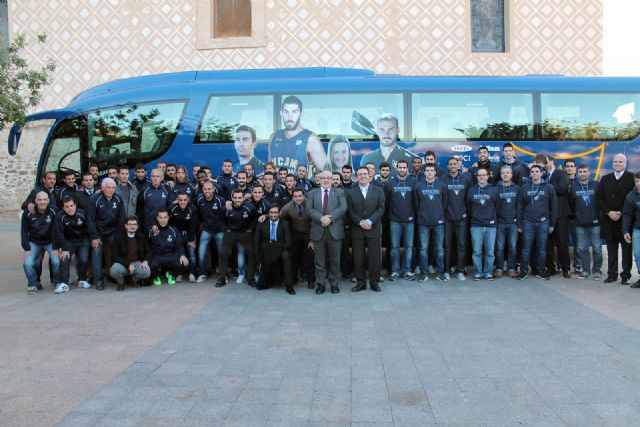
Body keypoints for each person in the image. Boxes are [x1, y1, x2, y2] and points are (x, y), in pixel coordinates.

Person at [306, 170, 348, 294]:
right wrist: (321, 218)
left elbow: (343, 207)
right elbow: (309, 209)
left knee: (335, 259)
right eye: (323, 178)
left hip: (334, 231)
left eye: (328, 178)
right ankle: (321, 284)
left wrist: (330, 218)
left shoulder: (339, 192)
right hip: (318, 231)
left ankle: (334, 283)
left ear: (332, 179)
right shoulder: (312, 193)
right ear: (318, 179)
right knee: (319, 261)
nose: (325, 180)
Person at [347, 166, 386, 292]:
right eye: (360, 174)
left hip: (373, 227)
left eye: (365, 174)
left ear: (369, 175)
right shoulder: (351, 192)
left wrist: (370, 221)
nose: (362, 176)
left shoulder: (378, 190)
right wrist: (360, 222)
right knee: (358, 257)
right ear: (356, 177)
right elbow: (350, 210)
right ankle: (361, 282)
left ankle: (374, 282)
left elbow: (381, 208)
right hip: (357, 229)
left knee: (375, 256)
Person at [597, 154, 634, 285]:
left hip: (625, 221)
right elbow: (600, 198)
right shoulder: (605, 179)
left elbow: (633, 199)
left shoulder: (631, 178)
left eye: (620, 162)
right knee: (611, 250)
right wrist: (608, 212)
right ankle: (612, 275)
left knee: (626, 251)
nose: (617, 164)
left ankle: (626, 276)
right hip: (609, 220)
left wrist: (621, 213)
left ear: (625, 163)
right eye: (615, 162)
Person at [516, 165, 558, 280]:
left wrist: (552, 224)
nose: (534, 173)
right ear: (530, 174)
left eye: (537, 171)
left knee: (542, 248)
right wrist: (519, 224)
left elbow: (554, 207)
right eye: (532, 171)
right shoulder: (524, 187)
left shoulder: (549, 187)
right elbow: (520, 207)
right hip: (528, 222)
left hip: (543, 222)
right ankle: (523, 271)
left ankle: (540, 270)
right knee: (526, 248)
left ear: (541, 173)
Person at [269, 95, 326, 173]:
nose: (289, 117)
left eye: (294, 112)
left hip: (300, 185)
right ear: (281, 113)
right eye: (286, 112)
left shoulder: (311, 139)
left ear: (301, 113)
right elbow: (268, 170)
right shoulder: (274, 136)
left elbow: (326, 173)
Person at [87, 178, 126, 290]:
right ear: (102, 188)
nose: (111, 190)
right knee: (97, 254)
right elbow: (91, 220)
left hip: (113, 231)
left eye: (113, 188)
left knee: (116, 253)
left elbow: (121, 217)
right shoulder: (94, 199)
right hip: (98, 232)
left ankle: (113, 276)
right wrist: (94, 237)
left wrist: (119, 234)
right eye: (108, 187)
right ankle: (98, 280)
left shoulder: (118, 198)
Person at [413, 164, 448, 282]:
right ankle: (424, 273)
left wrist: (438, 213)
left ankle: (441, 273)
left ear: (435, 172)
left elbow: (445, 203)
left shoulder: (442, 185)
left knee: (439, 248)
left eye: (431, 171)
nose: (429, 172)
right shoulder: (418, 185)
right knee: (423, 248)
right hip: (423, 222)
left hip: (439, 222)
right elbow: (416, 204)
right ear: (424, 172)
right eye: (427, 170)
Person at [21, 191, 60, 294]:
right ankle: (33, 284)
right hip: (34, 242)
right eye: (39, 200)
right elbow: (24, 231)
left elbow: (57, 230)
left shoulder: (54, 210)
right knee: (27, 264)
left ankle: (57, 282)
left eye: (44, 199)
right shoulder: (28, 213)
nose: (42, 202)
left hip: (50, 242)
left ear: (48, 201)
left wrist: (56, 247)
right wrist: (26, 248)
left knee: (56, 261)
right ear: (35, 201)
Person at [216, 189, 257, 288]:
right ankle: (222, 278)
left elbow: (254, 219)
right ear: (232, 198)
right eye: (235, 198)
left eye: (239, 198)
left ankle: (251, 278)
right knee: (223, 254)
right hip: (231, 232)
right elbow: (220, 220)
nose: (237, 200)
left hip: (245, 233)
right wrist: (226, 230)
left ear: (243, 198)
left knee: (251, 254)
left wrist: (250, 229)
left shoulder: (250, 207)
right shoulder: (226, 208)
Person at [441, 156, 472, 280]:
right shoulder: (443, 179)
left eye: (455, 164)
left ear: (458, 165)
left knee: (461, 245)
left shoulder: (465, 179)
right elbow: (442, 200)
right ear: (448, 166)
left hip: (462, 219)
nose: (453, 166)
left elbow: (469, 199)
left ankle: (460, 270)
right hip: (447, 219)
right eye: (451, 164)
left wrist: (466, 213)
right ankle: (447, 270)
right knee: (447, 246)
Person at [384, 160, 415, 281]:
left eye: (404, 167)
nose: (402, 169)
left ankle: (407, 270)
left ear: (407, 169)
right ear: (396, 168)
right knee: (394, 247)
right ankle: (395, 271)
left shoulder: (413, 182)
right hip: (394, 221)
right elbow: (387, 202)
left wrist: (413, 216)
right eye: (400, 167)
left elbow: (416, 202)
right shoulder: (390, 183)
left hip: (409, 221)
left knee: (409, 247)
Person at [466, 168, 500, 280]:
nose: (481, 177)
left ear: (487, 176)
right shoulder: (471, 191)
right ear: (477, 177)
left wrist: (491, 218)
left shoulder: (494, 190)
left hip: (491, 225)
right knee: (476, 251)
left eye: (483, 175)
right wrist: (476, 216)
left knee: (490, 251)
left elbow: (497, 206)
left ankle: (488, 272)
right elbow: (468, 207)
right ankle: (478, 272)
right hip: (476, 225)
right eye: (479, 175)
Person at [570, 164, 602, 280]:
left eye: (584, 171)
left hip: (595, 222)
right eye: (580, 172)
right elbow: (572, 204)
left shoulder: (596, 185)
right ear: (577, 173)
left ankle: (597, 271)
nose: (582, 174)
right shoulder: (574, 186)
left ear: (589, 172)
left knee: (597, 248)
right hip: (580, 223)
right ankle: (586, 270)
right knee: (582, 248)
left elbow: (601, 202)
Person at [53, 196, 91, 292]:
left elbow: (89, 228)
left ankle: (82, 280)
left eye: (71, 205)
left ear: (75, 205)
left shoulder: (82, 213)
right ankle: (64, 283)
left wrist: (91, 239)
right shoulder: (60, 217)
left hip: (83, 240)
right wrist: (64, 248)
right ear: (63, 208)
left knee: (83, 259)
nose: (70, 209)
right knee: (64, 258)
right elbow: (59, 234)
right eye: (67, 206)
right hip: (68, 241)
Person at [280, 188, 316, 289]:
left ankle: (311, 280)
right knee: (294, 257)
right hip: (295, 234)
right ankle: (294, 278)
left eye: (300, 196)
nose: (298, 198)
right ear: (292, 197)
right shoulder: (287, 207)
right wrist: (265, 216)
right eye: (295, 196)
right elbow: (277, 215)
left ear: (303, 196)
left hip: (309, 234)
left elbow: (316, 221)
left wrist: (312, 239)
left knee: (310, 257)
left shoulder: (310, 205)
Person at [254, 204, 294, 293]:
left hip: (280, 248)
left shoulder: (285, 223)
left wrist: (276, 250)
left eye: (275, 212)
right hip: (266, 249)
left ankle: (289, 286)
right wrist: (258, 259)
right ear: (268, 213)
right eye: (271, 212)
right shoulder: (262, 223)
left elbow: (288, 243)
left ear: (279, 213)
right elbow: (256, 241)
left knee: (286, 256)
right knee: (265, 250)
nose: (273, 215)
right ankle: (267, 281)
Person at [545, 155, 571, 278]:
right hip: (547, 214)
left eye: (545, 161)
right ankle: (551, 268)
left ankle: (566, 268)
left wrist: (545, 186)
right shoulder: (543, 175)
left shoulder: (561, 173)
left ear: (551, 162)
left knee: (561, 243)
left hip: (560, 214)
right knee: (548, 244)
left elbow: (562, 188)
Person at [195, 180, 227, 283]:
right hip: (206, 230)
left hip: (219, 231)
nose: (207, 191)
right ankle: (203, 274)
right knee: (201, 253)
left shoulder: (221, 200)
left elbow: (225, 215)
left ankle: (223, 275)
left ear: (213, 189)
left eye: (209, 189)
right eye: (205, 189)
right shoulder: (199, 200)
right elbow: (197, 215)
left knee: (222, 253)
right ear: (202, 190)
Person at [109, 216, 152, 290]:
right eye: (130, 224)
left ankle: (133, 279)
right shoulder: (119, 237)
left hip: (137, 262)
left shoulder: (141, 236)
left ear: (137, 226)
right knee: (114, 270)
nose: (132, 226)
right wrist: (128, 265)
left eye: (134, 224)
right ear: (126, 226)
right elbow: (114, 255)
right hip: (123, 263)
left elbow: (149, 250)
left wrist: (145, 261)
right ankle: (121, 282)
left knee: (147, 272)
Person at [148, 208, 189, 285]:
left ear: (168, 218)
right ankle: (156, 276)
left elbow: (179, 245)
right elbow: (148, 246)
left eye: (165, 217)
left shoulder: (173, 230)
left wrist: (182, 255)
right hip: (157, 256)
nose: (163, 220)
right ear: (157, 218)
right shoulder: (152, 230)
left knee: (184, 263)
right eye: (160, 217)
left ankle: (171, 275)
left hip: (170, 255)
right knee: (151, 265)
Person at [495, 165, 520, 278]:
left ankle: (511, 268)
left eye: (507, 173)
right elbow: (494, 206)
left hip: (513, 223)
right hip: (500, 223)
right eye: (503, 173)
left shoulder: (517, 188)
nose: (505, 175)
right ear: (500, 175)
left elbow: (520, 206)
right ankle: (499, 268)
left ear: (511, 175)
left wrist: (518, 221)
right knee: (499, 248)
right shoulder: (496, 189)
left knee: (513, 248)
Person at [170, 191, 198, 283]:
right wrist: (175, 237)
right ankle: (179, 274)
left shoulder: (193, 208)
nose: (182, 202)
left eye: (184, 200)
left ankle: (192, 274)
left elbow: (193, 226)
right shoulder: (172, 208)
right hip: (178, 235)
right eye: (180, 200)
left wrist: (191, 240)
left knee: (191, 254)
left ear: (188, 200)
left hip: (189, 234)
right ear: (177, 200)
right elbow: (170, 223)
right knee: (179, 255)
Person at [564, 159, 581, 273]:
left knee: (577, 242)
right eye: (567, 166)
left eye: (572, 166)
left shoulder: (580, 182)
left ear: (575, 168)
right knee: (563, 242)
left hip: (576, 217)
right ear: (564, 168)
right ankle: (562, 265)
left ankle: (577, 264)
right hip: (564, 216)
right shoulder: (562, 181)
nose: (569, 168)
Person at [623, 172, 640, 288]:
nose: (639, 183)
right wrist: (625, 231)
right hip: (637, 229)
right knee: (638, 254)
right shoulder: (631, 196)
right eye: (637, 181)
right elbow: (627, 214)